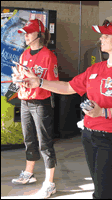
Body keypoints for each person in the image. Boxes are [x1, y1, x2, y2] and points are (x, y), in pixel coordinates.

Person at [19, 20, 112, 199]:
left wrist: (103, 112)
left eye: (106, 35)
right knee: (101, 186)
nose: (101, 38)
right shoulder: (96, 68)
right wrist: (39, 82)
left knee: (102, 191)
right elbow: (68, 87)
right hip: (89, 136)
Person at [11, 19, 59, 199]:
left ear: (39, 34)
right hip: (25, 101)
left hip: (41, 103)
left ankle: (50, 183)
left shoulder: (48, 55)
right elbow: (22, 76)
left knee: (45, 142)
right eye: (25, 33)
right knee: (28, 138)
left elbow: (55, 84)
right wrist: (18, 78)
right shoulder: (24, 54)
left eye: (29, 33)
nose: (26, 36)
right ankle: (29, 173)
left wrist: (37, 81)